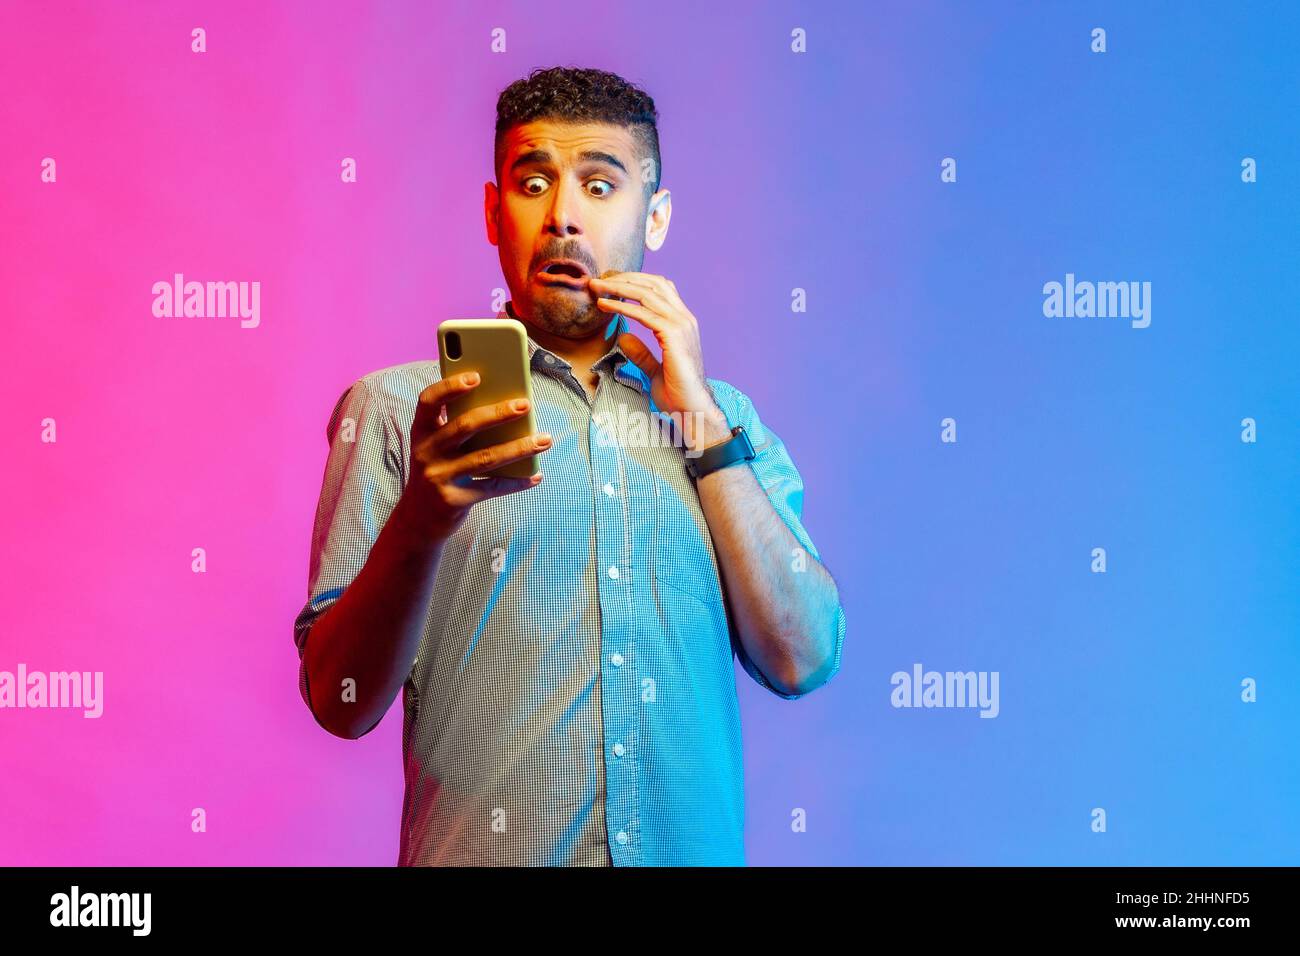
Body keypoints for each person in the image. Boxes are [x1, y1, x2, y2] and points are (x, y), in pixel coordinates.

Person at [292, 66, 846, 866]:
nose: (562, 217)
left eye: (598, 185)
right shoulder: (400, 411)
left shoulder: (724, 421)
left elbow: (803, 657)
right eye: (533, 182)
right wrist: (422, 517)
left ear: (655, 217)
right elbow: (340, 702)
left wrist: (705, 426)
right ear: (494, 212)